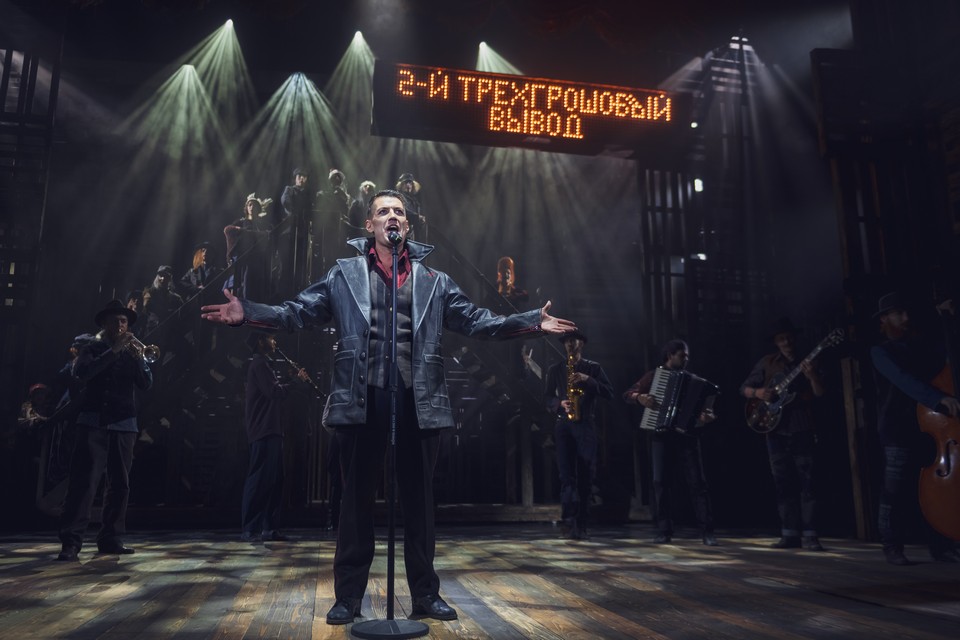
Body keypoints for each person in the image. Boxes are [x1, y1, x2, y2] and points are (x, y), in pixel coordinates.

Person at [201, 189, 576, 625]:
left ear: (407, 226)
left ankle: (425, 595)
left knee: (419, 503)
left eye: (399, 211)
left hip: (419, 398)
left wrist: (531, 322)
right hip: (362, 399)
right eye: (383, 211)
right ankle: (348, 598)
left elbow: (479, 321)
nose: (392, 216)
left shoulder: (435, 281)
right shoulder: (344, 274)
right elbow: (295, 312)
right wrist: (248, 312)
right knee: (354, 503)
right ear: (370, 225)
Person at [56, 300, 153, 561]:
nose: (120, 325)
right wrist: (113, 351)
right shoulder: (91, 348)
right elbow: (82, 373)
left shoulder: (133, 351)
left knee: (120, 484)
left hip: (124, 423)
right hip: (93, 422)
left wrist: (140, 359)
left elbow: (146, 384)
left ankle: (111, 538)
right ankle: (71, 542)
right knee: (83, 484)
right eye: (115, 321)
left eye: (124, 321)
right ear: (104, 324)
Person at [869, 291, 960, 565]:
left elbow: (947, 360)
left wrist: (947, 321)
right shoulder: (880, 352)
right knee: (894, 491)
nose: (905, 318)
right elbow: (904, 380)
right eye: (898, 313)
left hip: (932, 429)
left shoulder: (920, 346)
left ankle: (941, 544)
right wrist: (937, 399)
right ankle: (892, 545)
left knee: (933, 491)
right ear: (884, 319)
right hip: (898, 428)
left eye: (907, 312)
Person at [740, 318, 825, 551]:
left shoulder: (809, 361)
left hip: (802, 427)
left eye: (788, 337)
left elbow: (820, 393)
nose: (786, 342)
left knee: (808, 482)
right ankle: (789, 534)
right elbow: (743, 389)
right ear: (776, 342)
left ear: (794, 338)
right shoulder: (767, 363)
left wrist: (812, 376)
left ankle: (811, 535)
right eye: (781, 339)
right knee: (782, 483)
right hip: (774, 430)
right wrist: (758, 393)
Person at [623, 339, 718, 546]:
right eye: (682, 356)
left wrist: (706, 417)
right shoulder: (653, 376)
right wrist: (640, 398)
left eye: (687, 356)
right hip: (661, 435)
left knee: (698, 483)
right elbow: (628, 394)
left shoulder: (694, 381)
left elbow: (706, 411)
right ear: (670, 355)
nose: (686, 359)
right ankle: (664, 531)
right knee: (660, 483)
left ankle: (707, 532)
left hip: (687, 436)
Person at [544, 329, 614, 540]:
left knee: (586, 476)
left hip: (585, 425)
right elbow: (547, 397)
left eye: (573, 341)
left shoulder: (593, 368)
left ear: (581, 343)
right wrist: (559, 404)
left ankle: (582, 524)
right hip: (564, 425)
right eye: (566, 342)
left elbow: (609, 392)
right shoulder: (556, 369)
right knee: (566, 476)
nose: (569, 345)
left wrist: (588, 379)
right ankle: (568, 523)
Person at [241, 331, 309, 543]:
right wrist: (296, 381)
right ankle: (250, 528)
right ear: (260, 341)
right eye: (270, 338)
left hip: (271, 429)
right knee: (259, 479)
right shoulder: (259, 364)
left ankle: (269, 528)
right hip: (264, 429)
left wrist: (290, 378)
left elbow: (274, 389)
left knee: (275, 480)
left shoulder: (263, 365)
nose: (274, 341)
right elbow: (274, 392)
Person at [225, 193, 272, 300]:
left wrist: (249, 233)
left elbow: (268, 236)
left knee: (259, 291)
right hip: (245, 260)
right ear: (246, 207)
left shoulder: (263, 224)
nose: (252, 207)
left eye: (254, 205)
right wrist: (247, 233)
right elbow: (228, 230)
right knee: (245, 289)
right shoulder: (241, 222)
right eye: (250, 204)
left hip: (259, 260)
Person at [280, 167, 314, 292]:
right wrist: (296, 212)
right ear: (295, 178)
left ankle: (299, 287)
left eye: (304, 176)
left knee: (301, 261)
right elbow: (285, 201)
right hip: (290, 231)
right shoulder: (290, 190)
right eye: (299, 176)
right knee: (287, 262)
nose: (301, 178)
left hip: (302, 232)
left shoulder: (307, 195)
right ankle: (284, 288)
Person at [142, 265, 184, 336]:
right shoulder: (149, 293)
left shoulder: (176, 298)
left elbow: (181, 317)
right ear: (157, 276)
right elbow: (143, 312)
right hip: (151, 332)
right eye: (161, 275)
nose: (163, 278)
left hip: (168, 334)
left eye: (166, 276)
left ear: (170, 279)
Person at [396, 173, 425, 240]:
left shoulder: (414, 201)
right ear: (401, 185)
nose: (408, 185)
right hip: (402, 234)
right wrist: (417, 217)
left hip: (413, 235)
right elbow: (402, 212)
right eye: (406, 183)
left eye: (410, 183)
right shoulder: (398, 197)